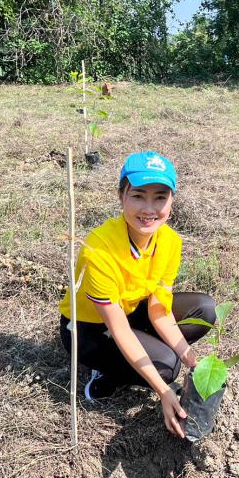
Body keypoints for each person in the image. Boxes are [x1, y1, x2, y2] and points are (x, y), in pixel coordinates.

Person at [59, 151, 216, 438]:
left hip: (131, 310)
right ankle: (107, 373)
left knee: (204, 309)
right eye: (139, 196)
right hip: (90, 329)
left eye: (160, 197)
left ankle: (142, 357)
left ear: (172, 201)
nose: (149, 209)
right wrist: (163, 390)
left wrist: (194, 361)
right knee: (166, 367)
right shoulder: (99, 248)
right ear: (121, 196)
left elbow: (159, 309)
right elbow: (118, 328)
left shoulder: (170, 242)